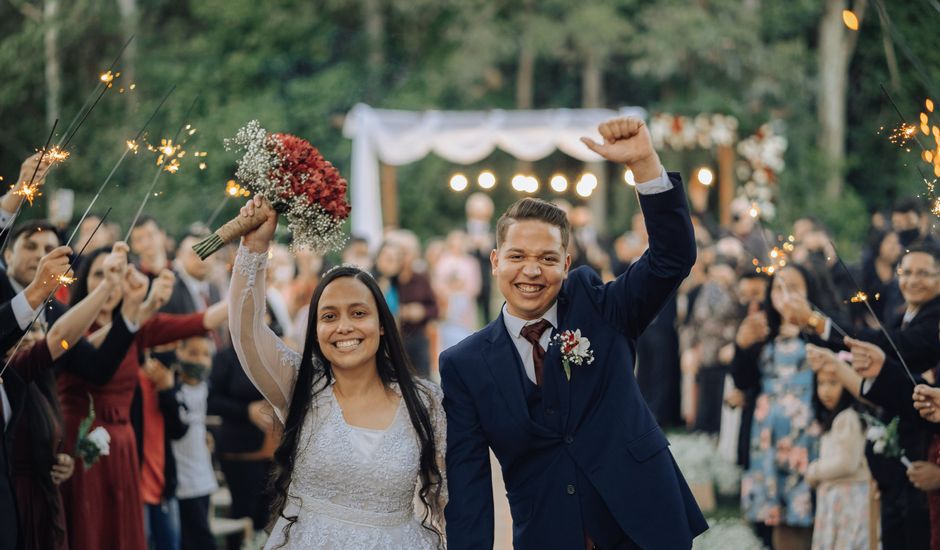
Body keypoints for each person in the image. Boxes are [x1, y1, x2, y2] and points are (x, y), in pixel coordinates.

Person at [441, 117, 706, 549]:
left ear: (566, 264)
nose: (531, 270)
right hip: (547, 534)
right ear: (494, 261)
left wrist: (644, 164)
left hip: (645, 525)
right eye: (517, 256)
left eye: (547, 258)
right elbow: (468, 484)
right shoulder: (464, 364)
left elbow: (672, 258)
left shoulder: (601, 308)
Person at [229, 195, 446, 548]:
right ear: (315, 330)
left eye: (358, 313)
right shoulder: (299, 386)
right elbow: (245, 332)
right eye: (329, 316)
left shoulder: (425, 401)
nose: (344, 326)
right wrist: (254, 247)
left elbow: (444, 503)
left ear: (380, 325)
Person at [59, 248, 227, 550]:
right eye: (99, 273)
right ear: (85, 280)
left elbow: (203, 320)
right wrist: (141, 310)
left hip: (123, 446)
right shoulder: (70, 327)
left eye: (120, 275)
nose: (109, 281)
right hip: (78, 443)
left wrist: (251, 272)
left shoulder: (139, 328)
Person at [731, 264, 824, 549]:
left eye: (794, 287)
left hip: (807, 432)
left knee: (806, 507)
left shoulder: (820, 330)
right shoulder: (762, 331)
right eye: (779, 288)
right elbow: (742, 379)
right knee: (774, 516)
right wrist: (740, 346)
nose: (785, 295)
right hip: (767, 433)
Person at [804, 366, 872, 550]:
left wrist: (814, 471)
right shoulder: (837, 419)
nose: (825, 390)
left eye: (833, 383)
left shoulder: (847, 418)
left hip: (847, 498)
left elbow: (847, 463)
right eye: (821, 383)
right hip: (838, 497)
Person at [171, 336, 219, 550]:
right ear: (179, 353)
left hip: (201, 477)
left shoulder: (207, 390)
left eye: (205, 354)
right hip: (180, 479)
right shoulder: (172, 390)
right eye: (192, 353)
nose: (199, 360)